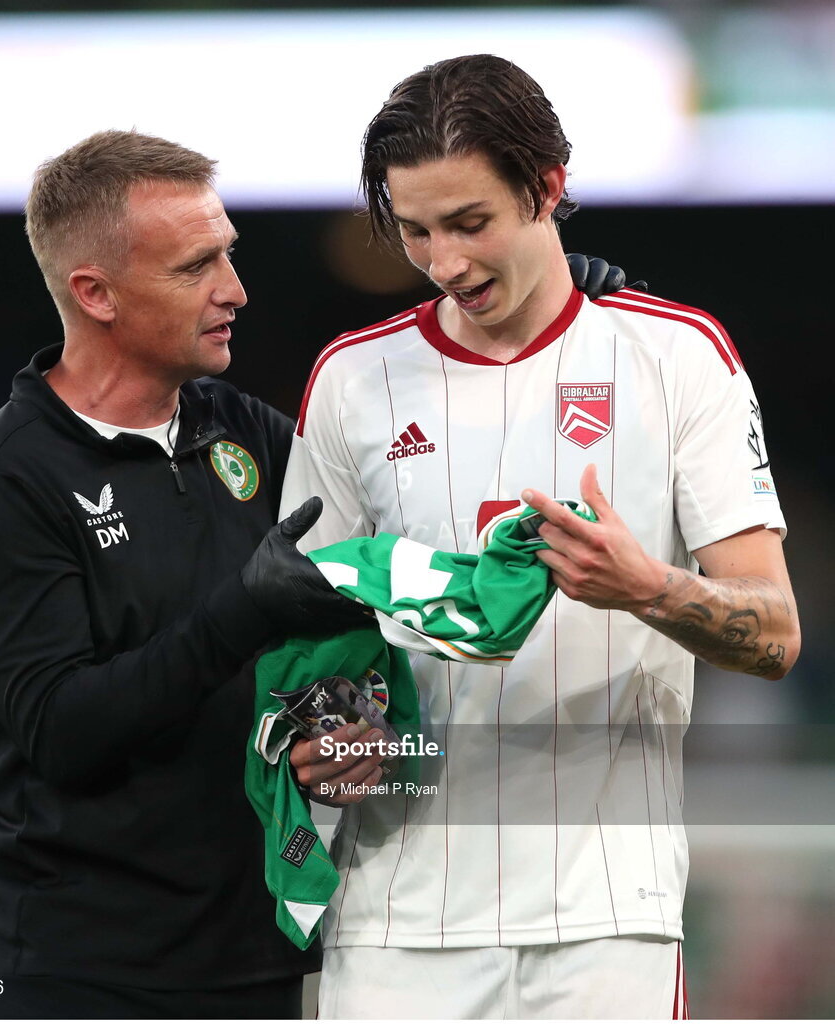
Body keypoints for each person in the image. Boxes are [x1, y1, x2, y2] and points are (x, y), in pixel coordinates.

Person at [281, 55, 800, 1019]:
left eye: (470, 223)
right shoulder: (353, 381)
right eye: (416, 231)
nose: (445, 262)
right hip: (396, 921)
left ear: (547, 188)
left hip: (607, 917)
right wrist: (324, 731)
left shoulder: (677, 357)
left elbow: (774, 633)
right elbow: (303, 628)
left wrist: (648, 588)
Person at [0, 129, 372, 1019]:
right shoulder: (3, 480)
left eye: (229, 256)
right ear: (95, 294)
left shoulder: (246, 431)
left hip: (249, 965)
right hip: (64, 978)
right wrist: (241, 613)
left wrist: (350, 712)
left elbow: (367, 580)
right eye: (194, 267)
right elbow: (60, 729)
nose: (234, 291)